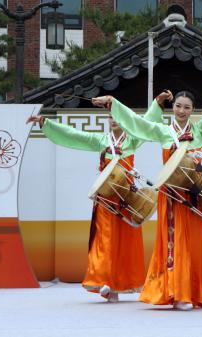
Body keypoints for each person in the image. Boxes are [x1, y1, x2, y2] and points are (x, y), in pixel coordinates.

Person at [94, 59, 202, 310]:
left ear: (192, 110)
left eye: (186, 107)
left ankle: (193, 290)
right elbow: (138, 124)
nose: (181, 110)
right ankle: (176, 292)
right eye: (177, 106)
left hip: (195, 196)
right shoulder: (163, 132)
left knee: (196, 243)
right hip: (172, 195)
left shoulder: (198, 132)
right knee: (173, 242)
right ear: (172, 107)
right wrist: (113, 103)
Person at [26, 97, 166, 302]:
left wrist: (158, 104)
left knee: (124, 243)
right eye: (111, 117)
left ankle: (118, 284)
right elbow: (74, 135)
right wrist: (45, 123)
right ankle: (105, 281)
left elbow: (144, 122)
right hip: (106, 199)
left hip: (127, 199)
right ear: (107, 121)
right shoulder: (101, 141)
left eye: (117, 116)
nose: (115, 120)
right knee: (104, 241)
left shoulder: (133, 139)